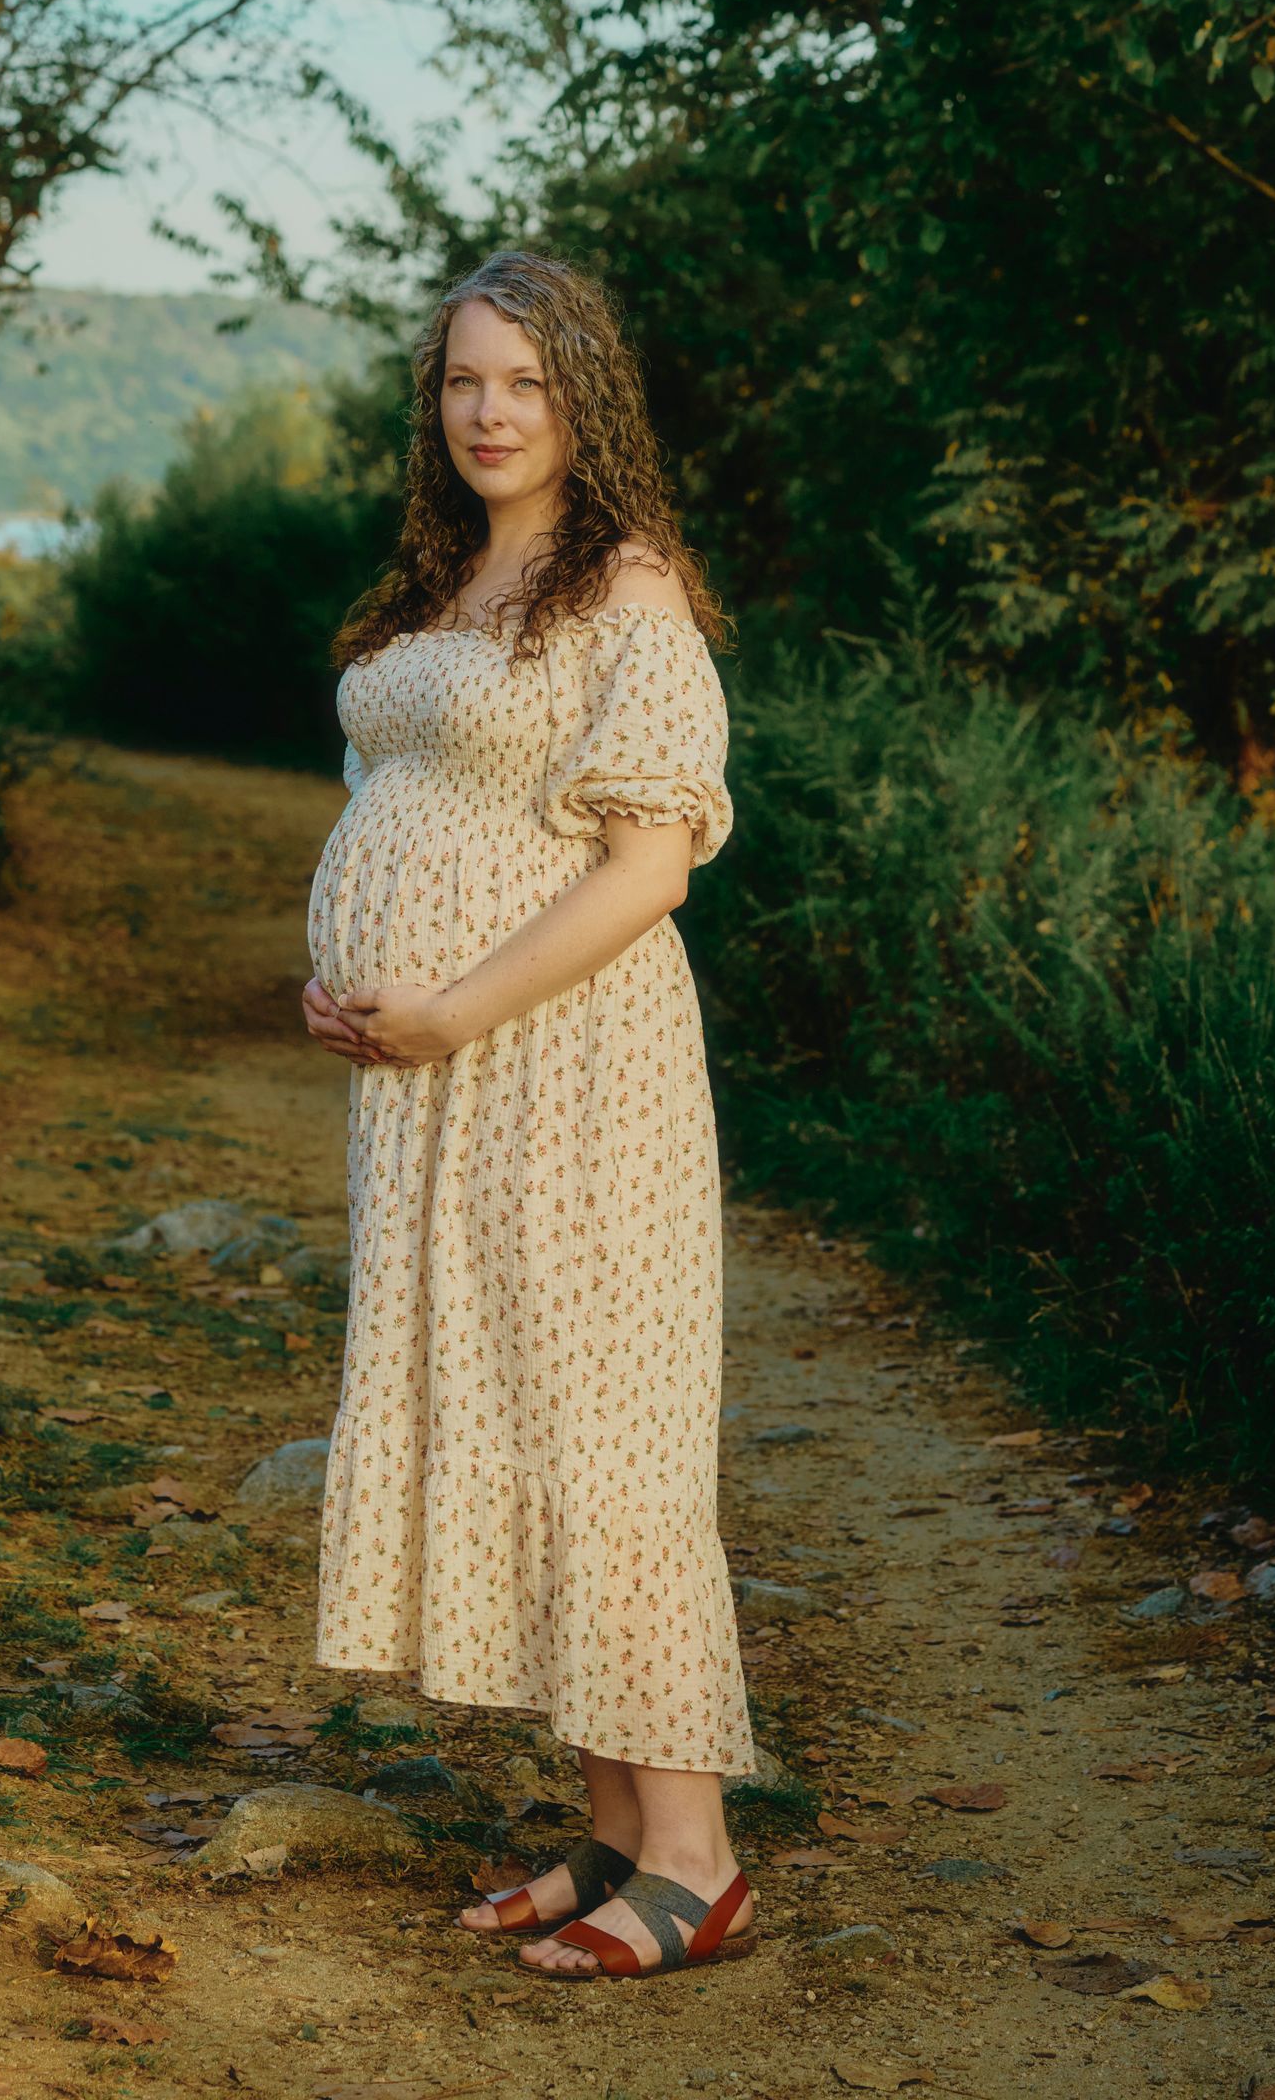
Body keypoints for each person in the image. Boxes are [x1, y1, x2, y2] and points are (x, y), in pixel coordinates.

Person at [300, 248, 755, 1985]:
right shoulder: (449, 578)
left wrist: (456, 1005)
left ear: (586, 401)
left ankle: (697, 1860)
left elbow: (652, 868)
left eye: (528, 383)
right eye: (464, 381)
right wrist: (348, 984)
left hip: (570, 1067)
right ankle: (619, 1832)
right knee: (513, 1400)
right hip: (434, 1084)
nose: (489, 413)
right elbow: (399, 800)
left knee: (607, 1430)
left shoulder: (628, 587)